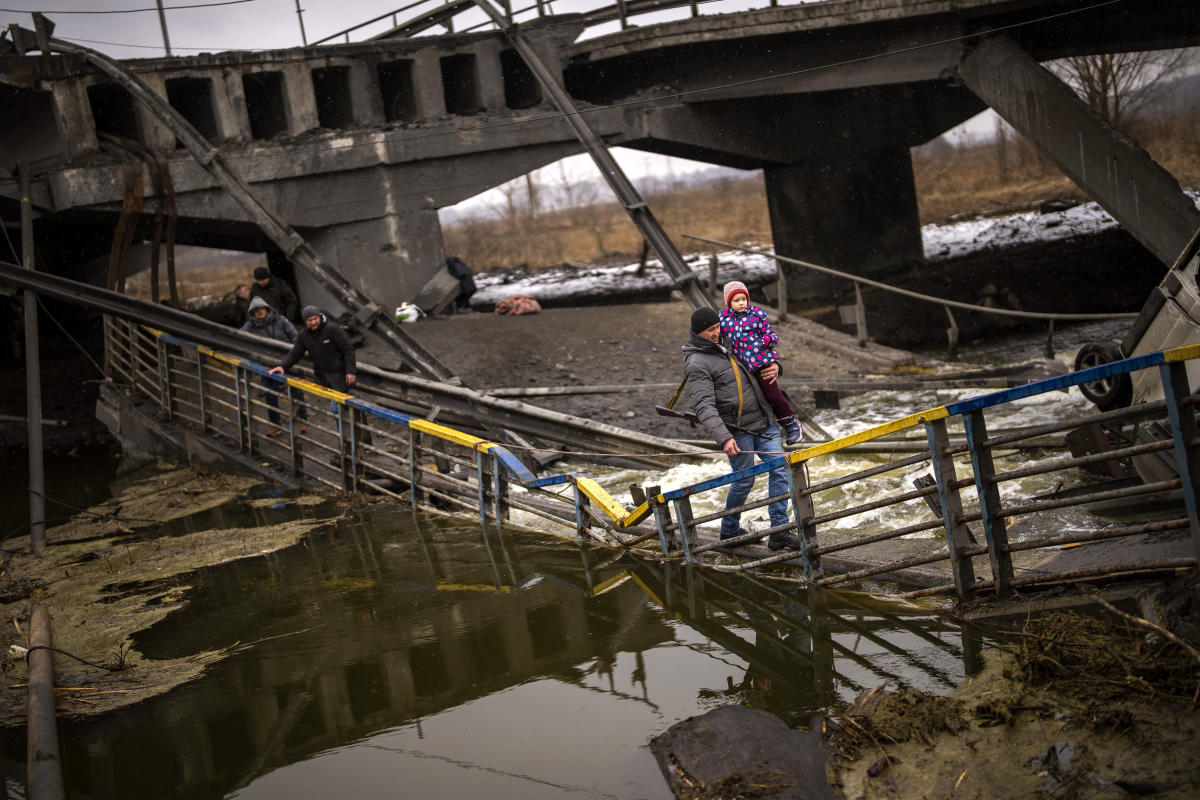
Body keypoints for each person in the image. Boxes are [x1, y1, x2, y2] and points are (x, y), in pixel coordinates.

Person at [682, 306, 802, 551]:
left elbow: (759, 353)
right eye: (709, 331)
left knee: (779, 470)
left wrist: (776, 365)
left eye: (716, 327)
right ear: (697, 333)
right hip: (737, 429)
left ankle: (780, 531)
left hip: (765, 421)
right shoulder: (696, 362)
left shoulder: (732, 341)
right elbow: (704, 406)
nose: (715, 333)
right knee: (745, 480)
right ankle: (729, 530)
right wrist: (724, 438)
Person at [269, 305, 369, 447]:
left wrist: (350, 371)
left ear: (319, 317)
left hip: (340, 375)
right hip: (324, 377)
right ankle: (350, 443)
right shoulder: (304, 335)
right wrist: (282, 366)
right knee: (341, 411)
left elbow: (348, 350)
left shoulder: (333, 329)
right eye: (309, 320)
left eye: (315, 319)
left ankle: (350, 444)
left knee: (338, 409)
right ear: (305, 322)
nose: (313, 322)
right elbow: (296, 353)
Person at [720, 280, 803, 446]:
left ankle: (790, 423)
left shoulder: (757, 315)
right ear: (729, 303)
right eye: (736, 300)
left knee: (772, 394)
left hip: (760, 361)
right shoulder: (723, 319)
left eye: (744, 299)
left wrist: (764, 341)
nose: (742, 303)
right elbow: (717, 338)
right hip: (740, 366)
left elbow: (773, 336)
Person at [241, 296, 307, 436]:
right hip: (268, 364)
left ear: (267, 309)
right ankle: (275, 425)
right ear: (252, 313)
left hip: (289, 361)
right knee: (270, 395)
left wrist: (294, 356)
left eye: (261, 309)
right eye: (256, 310)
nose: (259, 312)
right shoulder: (249, 327)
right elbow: (239, 339)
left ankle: (302, 421)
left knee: (297, 393)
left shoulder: (281, 320)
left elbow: (295, 337)